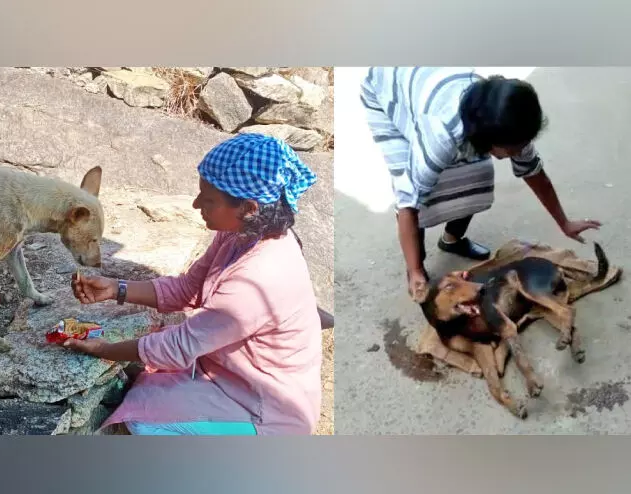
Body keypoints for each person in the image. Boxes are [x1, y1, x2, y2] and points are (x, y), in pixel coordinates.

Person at [62, 133, 323, 435]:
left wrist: (103, 349)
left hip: (265, 409)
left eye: (208, 200)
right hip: (230, 377)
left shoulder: (259, 278)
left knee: (143, 427)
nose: (196, 203)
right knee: (145, 389)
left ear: (248, 207)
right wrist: (116, 288)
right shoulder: (240, 233)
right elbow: (189, 289)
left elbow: (178, 346)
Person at [360, 67, 601, 296]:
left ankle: (452, 240)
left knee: (477, 180)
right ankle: (417, 266)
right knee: (421, 195)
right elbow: (407, 204)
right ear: (486, 138)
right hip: (389, 95)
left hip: (429, 88)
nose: (517, 153)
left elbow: (534, 173)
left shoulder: (508, 122)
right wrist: (414, 270)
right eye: (511, 149)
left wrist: (564, 222)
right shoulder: (440, 135)